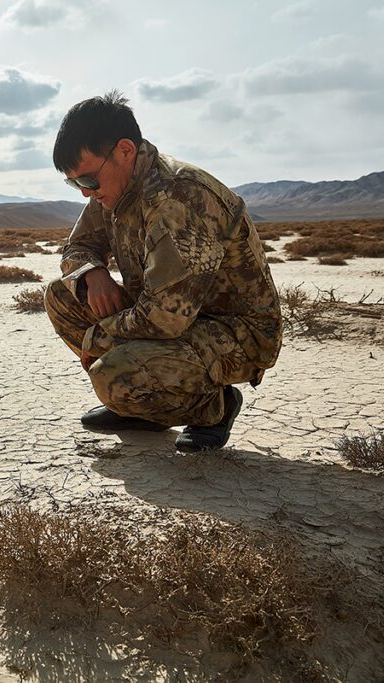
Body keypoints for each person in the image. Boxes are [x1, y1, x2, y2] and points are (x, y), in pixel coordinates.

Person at [45, 92, 282, 452]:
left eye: (88, 180)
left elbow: (165, 318)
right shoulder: (113, 191)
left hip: (234, 333)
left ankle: (213, 408)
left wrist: (99, 337)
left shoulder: (179, 196)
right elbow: (76, 249)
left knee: (112, 373)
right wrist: (94, 274)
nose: (83, 193)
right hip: (168, 316)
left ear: (125, 151)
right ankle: (143, 407)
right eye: (74, 183)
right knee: (62, 296)